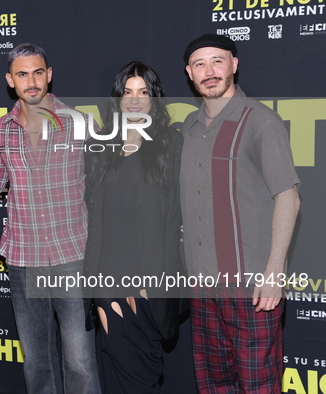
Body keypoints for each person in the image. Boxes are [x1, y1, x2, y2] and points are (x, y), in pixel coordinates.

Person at [181, 34, 301, 393]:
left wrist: (274, 274)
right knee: (214, 386)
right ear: (189, 73)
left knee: (258, 385)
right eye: (199, 64)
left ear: (234, 64)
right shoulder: (187, 128)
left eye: (218, 61)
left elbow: (288, 197)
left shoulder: (260, 121)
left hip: (251, 288)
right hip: (202, 287)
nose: (209, 71)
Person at [0, 43, 100, 394]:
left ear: (48, 75)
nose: (30, 81)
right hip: (23, 260)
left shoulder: (81, 124)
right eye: (22, 74)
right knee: (36, 360)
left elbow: (104, 190)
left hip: (73, 256)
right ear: (10, 80)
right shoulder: (0, 130)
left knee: (80, 360)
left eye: (37, 72)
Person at [83, 61, 183, 393]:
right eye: (127, 92)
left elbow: (178, 220)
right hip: (108, 283)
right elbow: (96, 220)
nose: (135, 99)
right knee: (117, 373)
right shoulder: (100, 147)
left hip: (149, 285)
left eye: (143, 92)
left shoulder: (171, 145)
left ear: (155, 99)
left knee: (143, 375)